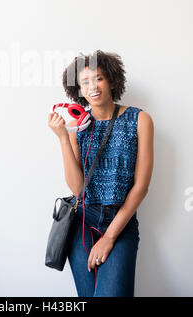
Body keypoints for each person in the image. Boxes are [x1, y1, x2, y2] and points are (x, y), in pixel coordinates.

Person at [47, 50, 154, 297]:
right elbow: (77, 190)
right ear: (79, 90)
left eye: (98, 79)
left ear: (112, 81)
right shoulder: (78, 126)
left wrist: (109, 237)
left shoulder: (139, 119)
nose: (92, 87)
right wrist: (64, 137)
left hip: (121, 222)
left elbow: (141, 187)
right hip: (83, 221)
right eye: (84, 82)